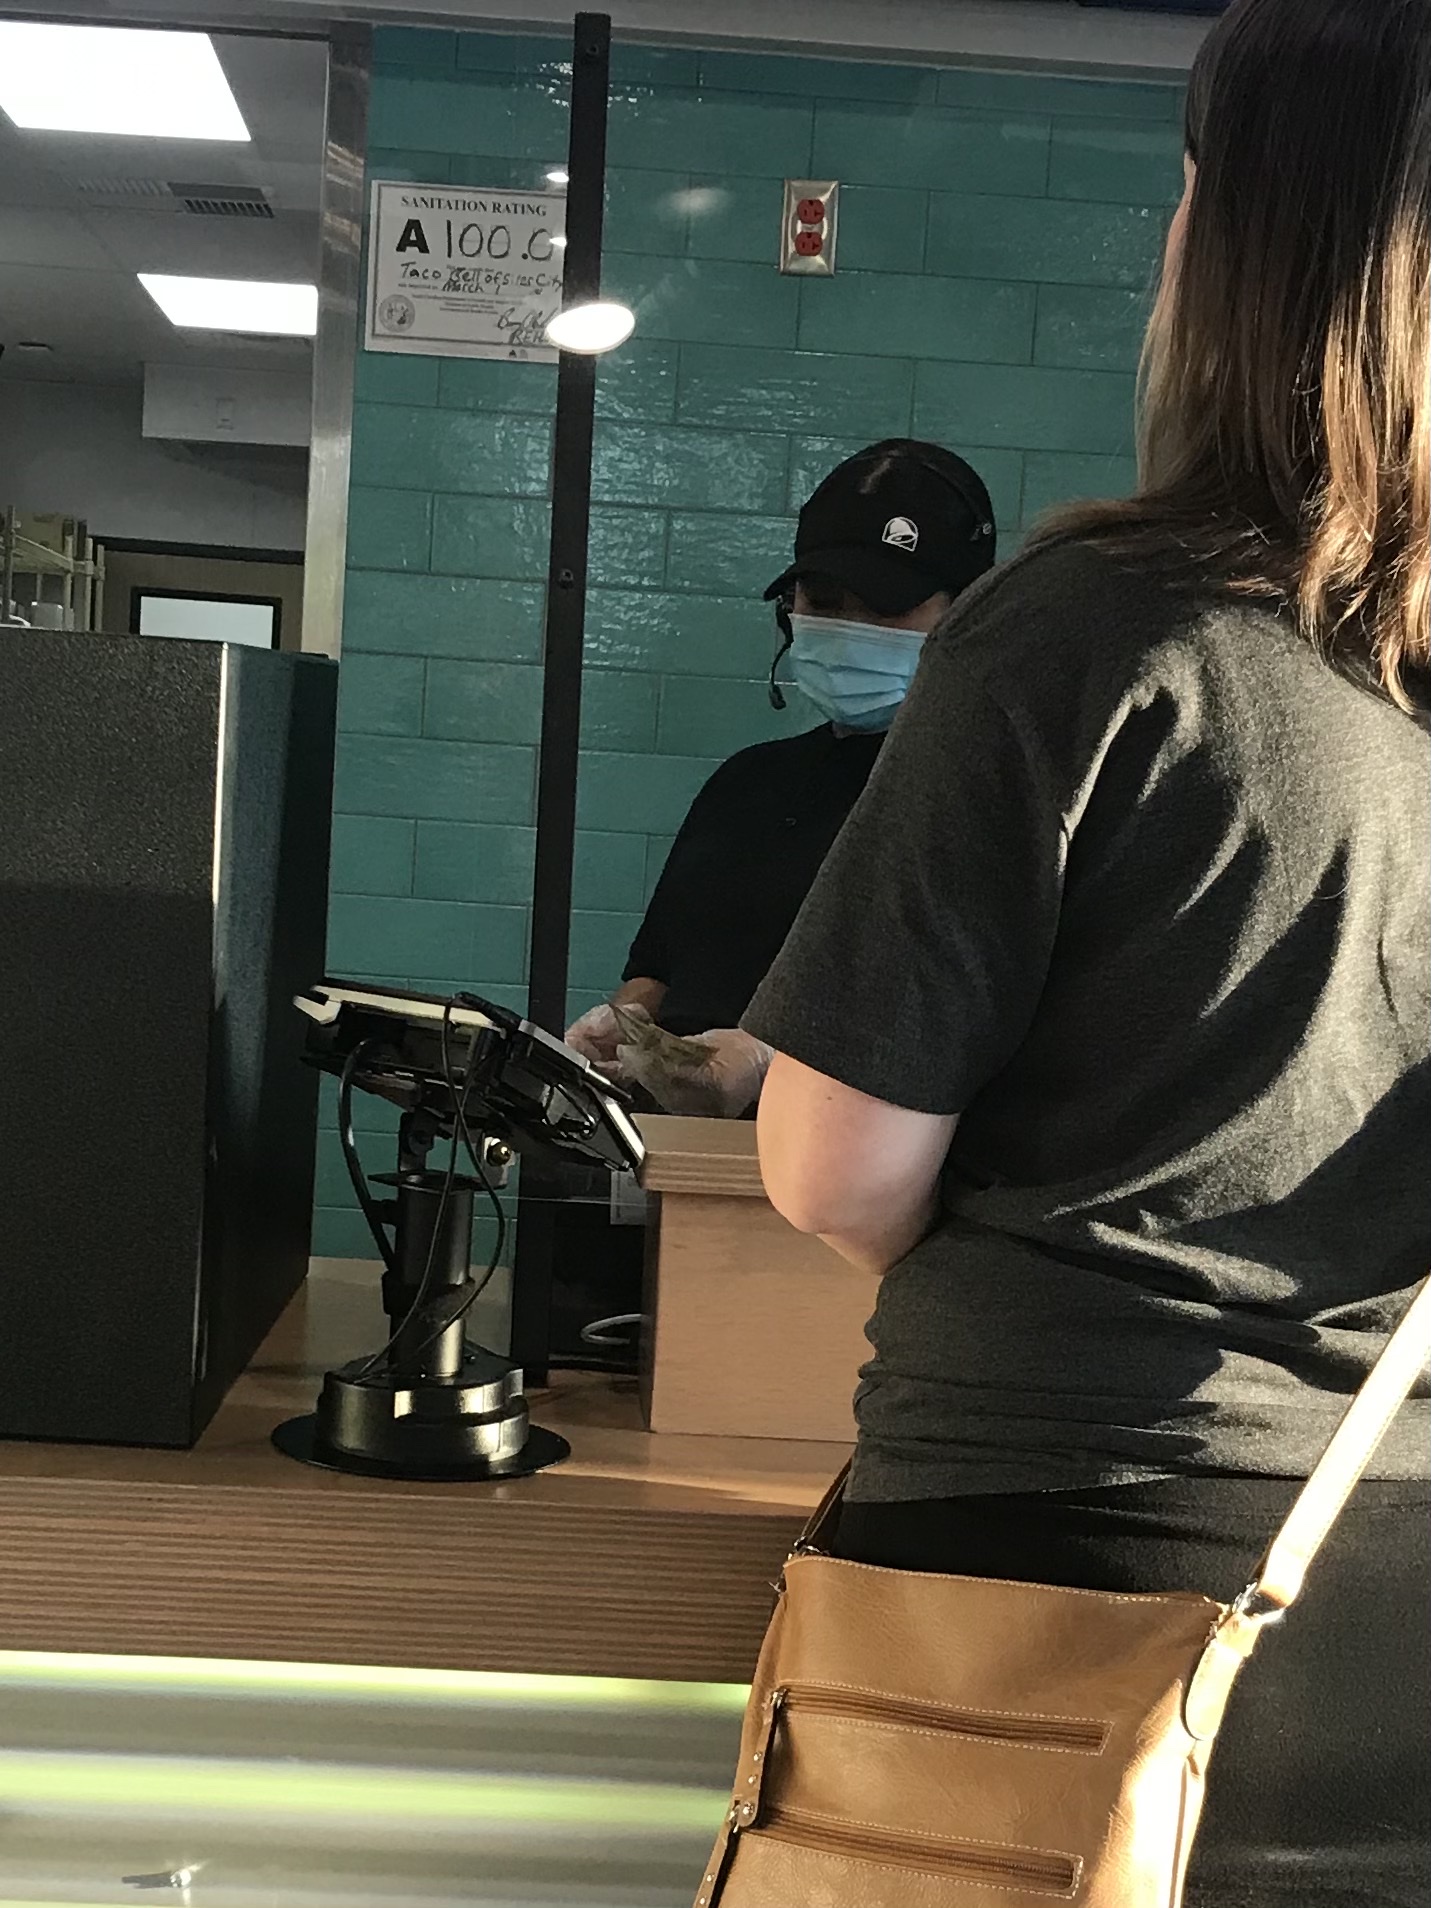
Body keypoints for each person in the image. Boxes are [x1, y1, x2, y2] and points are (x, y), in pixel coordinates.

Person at [744, 0, 1431, 1899]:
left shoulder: (1095, 629)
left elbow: (832, 1163)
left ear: (1248, 245)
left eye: (1189, 182)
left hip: (1047, 1538)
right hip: (1389, 1573)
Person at [565, 439, 996, 1116]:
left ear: (966, 616)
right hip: (678, 1157)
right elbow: (659, 968)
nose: (850, 628)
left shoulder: (985, 805)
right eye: (824, 599)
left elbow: (964, 1029)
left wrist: (771, 1061)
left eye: (886, 607)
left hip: (842, 1163)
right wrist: (623, 1031)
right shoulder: (747, 785)